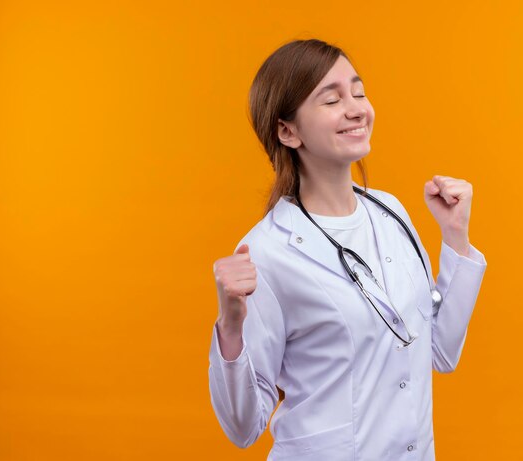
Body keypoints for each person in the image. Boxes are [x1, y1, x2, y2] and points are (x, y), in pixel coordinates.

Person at [208, 38, 487, 460]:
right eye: (332, 99)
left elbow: (440, 352)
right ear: (288, 130)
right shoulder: (265, 252)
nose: (356, 108)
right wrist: (230, 327)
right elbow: (244, 428)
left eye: (358, 92)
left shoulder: (390, 213)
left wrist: (456, 238)